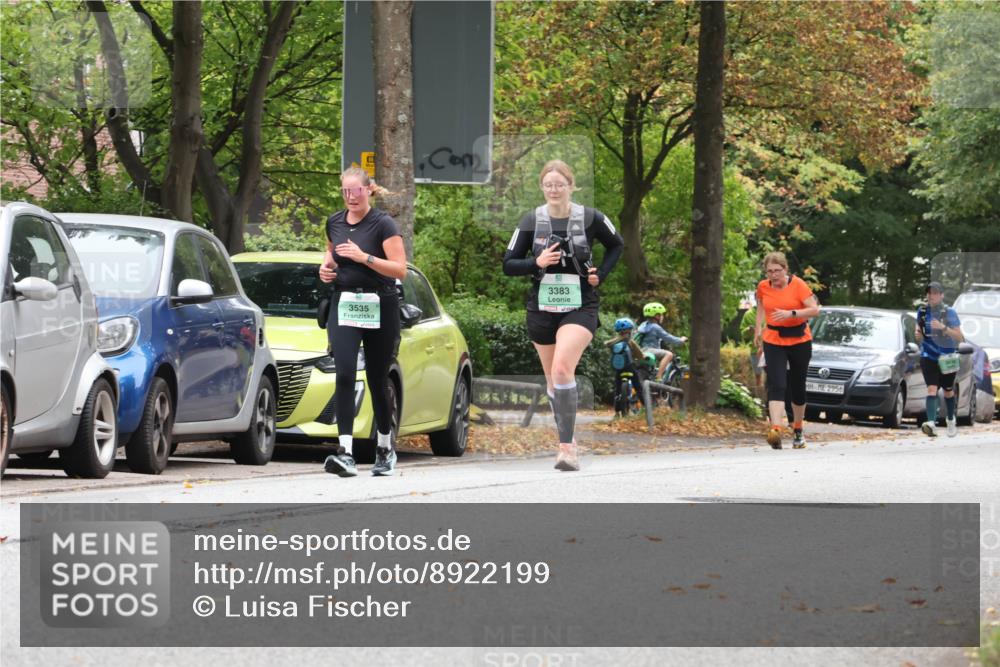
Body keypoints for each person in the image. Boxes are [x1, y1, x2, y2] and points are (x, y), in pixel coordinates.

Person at [502, 159, 624, 471]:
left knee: (561, 370)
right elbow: (508, 264)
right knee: (553, 382)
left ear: (571, 186)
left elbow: (616, 245)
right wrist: (537, 262)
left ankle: (567, 449)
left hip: (580, 304)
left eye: (560, 184)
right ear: (542, 188)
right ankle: (564, 438)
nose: (554, 189)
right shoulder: (532, 220)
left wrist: (601, 275)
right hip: (542, 307)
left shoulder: (590, 217)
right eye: (548, 185)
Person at [319, 167, 408, 477]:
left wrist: (363, 258)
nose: (350, 197)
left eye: (356, 190)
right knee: (343, 372)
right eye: (345, 191)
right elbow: (331, 255)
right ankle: (345, 452)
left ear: (369, 190)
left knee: (376, 379)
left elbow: (399, 270)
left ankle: (385, 446)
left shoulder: (383, 224)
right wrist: (325, 269)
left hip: (380, 304)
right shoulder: (334, 221)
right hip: (344, 303)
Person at [753, 252, 820, 449]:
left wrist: (792, 313)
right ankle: (775, 430)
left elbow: (814, 310)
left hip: (799, 339)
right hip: (773, 339)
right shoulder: (763, 286)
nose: (774, 275)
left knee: (797, 387)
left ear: (785, 269)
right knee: (777, 384)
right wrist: (758, 329)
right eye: (769, 271)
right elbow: (761, 306)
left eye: (777, 271)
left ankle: (798, 429)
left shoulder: (798, 285)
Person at [915, 281, 964, 437]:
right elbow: (919, 332)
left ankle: (950, 419)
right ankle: (931, 423)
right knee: (932, 389)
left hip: (947, 358)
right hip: (928, 355)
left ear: (941, 295)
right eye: (929, 293)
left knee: (948, 391)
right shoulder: (922, 311)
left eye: (935, 293)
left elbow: (960, 337)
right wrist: (919, 335)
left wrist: (943, 327)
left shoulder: (950, 313)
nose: (932, 296)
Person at [636, 302, 687, 380]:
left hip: (640, 350)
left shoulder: (644, 324)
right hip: (649, 350)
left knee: (661, 355)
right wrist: (681, 340)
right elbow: (669, 338)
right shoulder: (655, 327)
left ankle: (654, 375)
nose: (662, 317)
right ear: (656, 316)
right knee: (669, 354)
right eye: (661, 314)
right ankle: (658, 377)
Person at [606, 317, 646, 398]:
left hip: (618, 368)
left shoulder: (614, 342)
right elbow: (639, 354)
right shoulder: (630, 342)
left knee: (617, 386)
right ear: (630, 331)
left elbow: (606, 344)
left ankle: (617, 402)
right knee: (637, 385)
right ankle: (644, 403)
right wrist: (643, 357)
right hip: (629, 367)